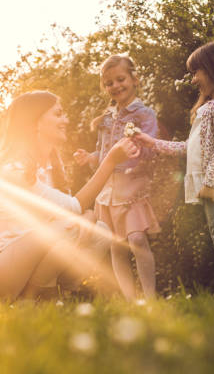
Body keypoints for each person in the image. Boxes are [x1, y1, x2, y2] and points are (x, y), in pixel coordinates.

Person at [0, 90, 139, 301]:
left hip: (27, 260)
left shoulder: (51, 168)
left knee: (99, 231)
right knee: (71, 227)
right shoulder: (15, 170)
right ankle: (42, 295)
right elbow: (71, 209)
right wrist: (110, 161)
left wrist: (86, 217)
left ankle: (63, 292)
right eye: (58, 114)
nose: (66, 120)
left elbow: (70, 214)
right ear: (36, 122)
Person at [135, 39, 214, 297]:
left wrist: (210, 182)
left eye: (196, 72)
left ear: (212, 69)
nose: (194, 79)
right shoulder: (208, 107)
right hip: (212, 182)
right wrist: (151, 142)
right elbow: (190, 147)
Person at [74, 55, 161, 300]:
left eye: (120, 79)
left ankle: (150, 297)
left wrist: (139, 157)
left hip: (131, 187)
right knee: (115, 245)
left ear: (134, 79)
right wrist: (89, 158)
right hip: (108, 191)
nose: (116, 86)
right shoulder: (106, 119)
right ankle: (131, 299)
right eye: (109, 83)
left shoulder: (144, 115)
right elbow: (104, 154)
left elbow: (151, 148)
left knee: (136, 240)